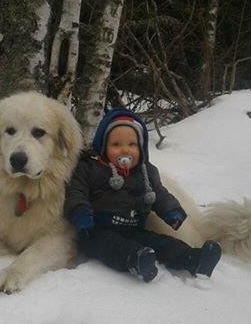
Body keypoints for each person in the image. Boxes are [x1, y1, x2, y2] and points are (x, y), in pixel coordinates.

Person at [64, 108, 221, 282]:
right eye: (116, 145)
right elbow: (77, 192)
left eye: (132, 145)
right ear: (103, 146)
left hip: (135, 229)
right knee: (111, 245)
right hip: (97, 230)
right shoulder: (91, 168)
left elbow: (160, 194)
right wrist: (80, 212)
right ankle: (135, 260)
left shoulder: (146, 172)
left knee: (159, 242)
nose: (125, 150)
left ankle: (193, 259)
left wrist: (172, 211)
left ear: (141, 147)